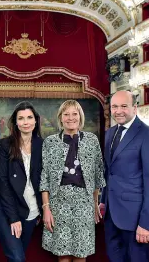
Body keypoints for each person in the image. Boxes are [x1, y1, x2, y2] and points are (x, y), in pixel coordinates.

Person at [100, 90, 149, 262]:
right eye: (114, 107)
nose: (118, 111)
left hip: (136, 219)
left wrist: (146, 223)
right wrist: (102, 200)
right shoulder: (109, 134)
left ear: (134, 108)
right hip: (111, 216)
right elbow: (109, 172)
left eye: (123, 106)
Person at [40, 100, 105, 262]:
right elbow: (45, 177)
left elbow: (97, 175)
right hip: (58, 204)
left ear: (80, 116)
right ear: (60, 118)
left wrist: (95, 203)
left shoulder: (91, 140)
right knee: (63, 255)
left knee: (80, 253)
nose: (70, 118)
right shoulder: (50, 142)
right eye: (66, 114)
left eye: (74, 114)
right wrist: (46, 209)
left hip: (84, 203)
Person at [0, 101, 44, 262]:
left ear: (36, 120)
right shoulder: (4, 145)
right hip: (6, 209)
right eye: (21, 118)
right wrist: (13, 218)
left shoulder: (43, 145)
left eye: (29, 117)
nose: (26, 122)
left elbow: (45, 179)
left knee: (17, 256)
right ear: (15, 122)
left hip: (31, 210)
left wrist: (43, 209)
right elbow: (2, 183)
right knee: (17, 257)